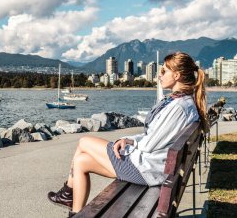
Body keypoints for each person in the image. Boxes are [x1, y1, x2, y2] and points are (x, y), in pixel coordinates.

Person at [47, 52, 208, 217]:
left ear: (177, 75)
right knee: (81, 162)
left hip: (146, 169)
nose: (160, 76)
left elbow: (150, 144)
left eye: (164, 71)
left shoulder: (179, 107)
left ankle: (67, 192)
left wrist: (131, 143)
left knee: (84, 141)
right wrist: (129, 139)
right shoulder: (182, 102)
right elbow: (153, 136)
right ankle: (74, 211)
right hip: (154, 167)